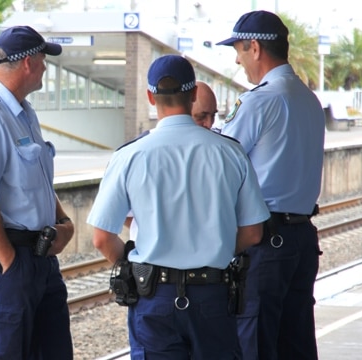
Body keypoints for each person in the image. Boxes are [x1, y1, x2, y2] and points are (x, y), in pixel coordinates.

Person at [87, 54, 270, 359]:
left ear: (150, 96)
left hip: (153, 299)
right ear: (194, 94)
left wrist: (135, 266)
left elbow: (101, 238)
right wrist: (218, 248)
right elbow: (253, 233)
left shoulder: (130, 156)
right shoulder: (230, 153)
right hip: (214, 295)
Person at [0, 25, 75, 359]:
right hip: (10, 260)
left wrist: (63, 221)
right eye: (44, 60)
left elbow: (35, 181)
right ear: (29, 64)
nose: (46, 68)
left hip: (41, 257)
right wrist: (9, 263)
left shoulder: (23, 114)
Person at [216, 10, 325, 360]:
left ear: (255, 48)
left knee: (256, 344)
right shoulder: (310, 101)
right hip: (302, 239)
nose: (237, 59)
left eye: (239, 49)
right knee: (296, 343)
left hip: (265, 243)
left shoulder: (260, 101)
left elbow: (221, 163)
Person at [124, 80, 219, 238]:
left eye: (213, 115)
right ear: (185, 107)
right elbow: (122, 213)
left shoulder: (224, 152)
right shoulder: (136, 154)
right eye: (201, 117)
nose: (209, 124)